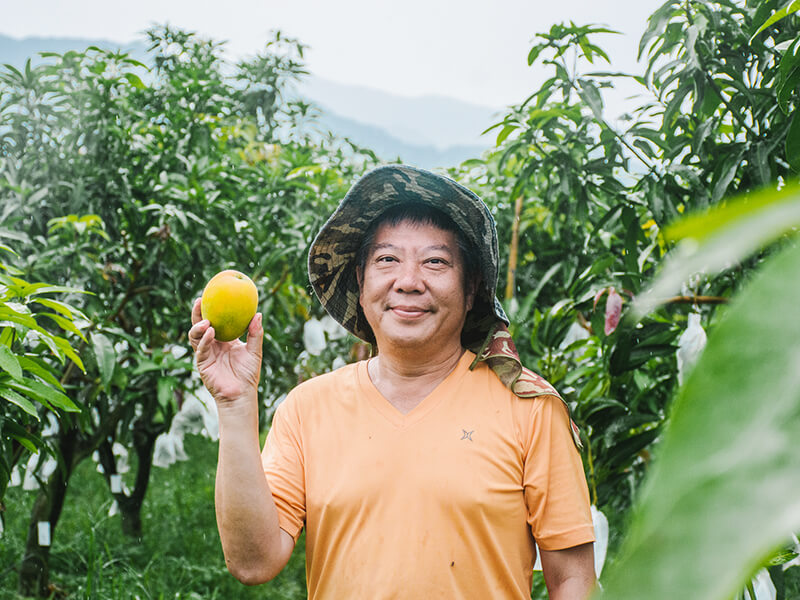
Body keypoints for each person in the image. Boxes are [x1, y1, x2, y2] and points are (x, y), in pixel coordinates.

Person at [189, 164, 596, 599]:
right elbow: (253, 561)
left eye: (435, 262)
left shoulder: (530, 409)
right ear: (361, 281)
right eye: (387, 260)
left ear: (472, 288)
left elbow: (572, 579)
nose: (408, 282)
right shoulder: (308, 408)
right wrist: (234, 405)